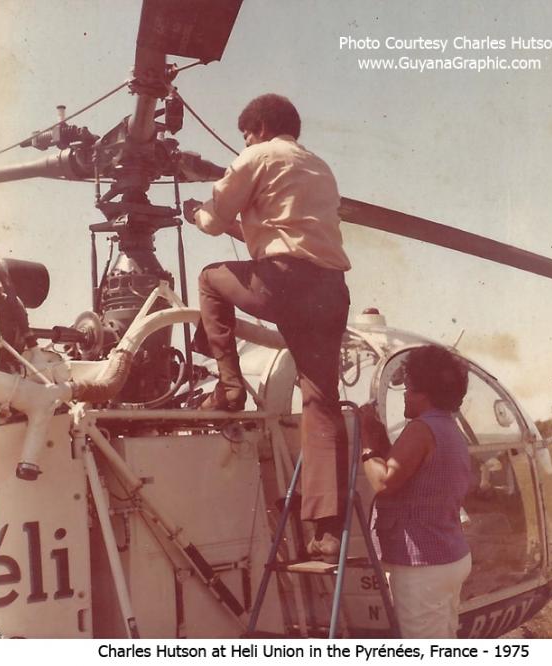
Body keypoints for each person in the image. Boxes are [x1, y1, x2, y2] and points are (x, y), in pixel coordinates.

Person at [183, 94, 351, 560]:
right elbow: (280, 231)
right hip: (331, 291)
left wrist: (194, 211)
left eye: (245, 135)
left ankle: (229, 385)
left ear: (258, 128)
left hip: (284, 283)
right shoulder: (317, 167)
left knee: (209, 278)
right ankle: (327, 531)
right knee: (320, 401)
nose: (244, 142)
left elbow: (212, 222)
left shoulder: (255, 157)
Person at [359, 345, 472, 638]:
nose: (405, 396)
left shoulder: (421, 429)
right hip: (448, 556)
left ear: (425, 393)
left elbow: (384, 483)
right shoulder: (448, 428)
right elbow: (409, 472)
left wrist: (367, 443)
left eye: (409, 389)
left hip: (422, 567)